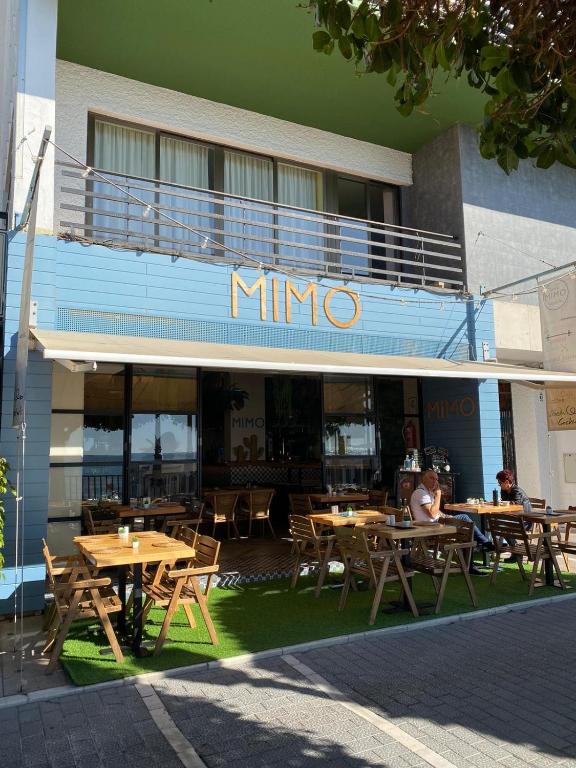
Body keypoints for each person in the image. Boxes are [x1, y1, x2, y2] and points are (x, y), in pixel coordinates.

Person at [410, 470, 493, 575]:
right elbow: (432, 513)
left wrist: (446, 516)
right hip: (430, 529)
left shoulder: (427, 492)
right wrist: (438, 495)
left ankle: (472, 563)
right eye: (432, 478)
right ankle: (484, 543)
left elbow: (436, 512)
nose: (435, 481)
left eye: (436, 479)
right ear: (424, 479)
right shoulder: (421, 493)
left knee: (467, 530)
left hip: (435, 525)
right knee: (465, 519)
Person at [495, 469, 532, 562]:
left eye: (500, 482)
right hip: (513, 519)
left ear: (507, 482)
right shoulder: (504, 490)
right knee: (498, 525)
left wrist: (501, 504)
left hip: (524, 521)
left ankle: (516, 552)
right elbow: (504, 504)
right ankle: (515, 552)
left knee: (501, 526)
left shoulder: (517, 491)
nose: (499, 485)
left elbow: (516, 506)